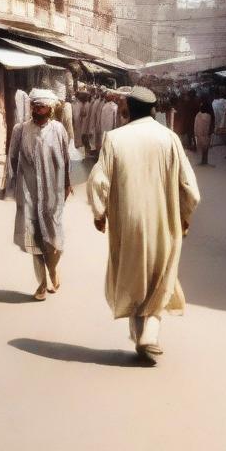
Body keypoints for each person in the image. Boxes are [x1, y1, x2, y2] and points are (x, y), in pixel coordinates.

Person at [87, 86, 201, 364]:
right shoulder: (170, 138)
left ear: (127, 108)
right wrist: (185, 216)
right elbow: (190, 188)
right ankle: (148, 336)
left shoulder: (114, 139)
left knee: (134, 277)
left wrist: (99, 214)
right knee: (159, 278)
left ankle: (142, 337)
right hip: (164, 223)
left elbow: (98, 181)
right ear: (153, 110)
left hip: (127, 223)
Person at [6, 88, 72, 301]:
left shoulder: (58, 130)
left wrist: (67, 183)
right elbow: (12, 158)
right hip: (28, 191)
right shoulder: (20, 129)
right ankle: (42, 284)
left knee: (54, 239)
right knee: (33, 238)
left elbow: (65, 159)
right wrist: (12, 185)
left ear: (50, 109)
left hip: (53, 192)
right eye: (34, 106)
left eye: (41, 107)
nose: (36, 110)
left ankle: (53, 268)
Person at [193, 100, 214, 166]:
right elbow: (210, 125)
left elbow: (195, 125)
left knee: (202, 147)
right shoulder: (209, 116)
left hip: (200, 134)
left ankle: (202, 161)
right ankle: (205, 160)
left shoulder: (198, 115)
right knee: (206, 148)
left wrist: (195, 133)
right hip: (206, 134)